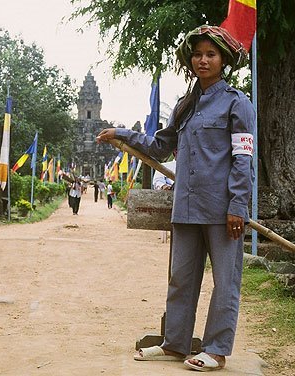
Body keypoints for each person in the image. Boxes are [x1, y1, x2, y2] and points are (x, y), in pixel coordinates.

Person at [97, 25, 254, 372]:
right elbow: (160, 145)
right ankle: (175, 344)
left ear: (223, 60)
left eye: (210, 54)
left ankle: (215, 350)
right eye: (197, 54)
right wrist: (120, 135)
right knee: (181, 278)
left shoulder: (237, 103)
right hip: (186, 207)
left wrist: (238, 206)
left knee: (226, 281)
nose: (203, 60)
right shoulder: (185, 106)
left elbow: (243, 159)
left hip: (222, 209)